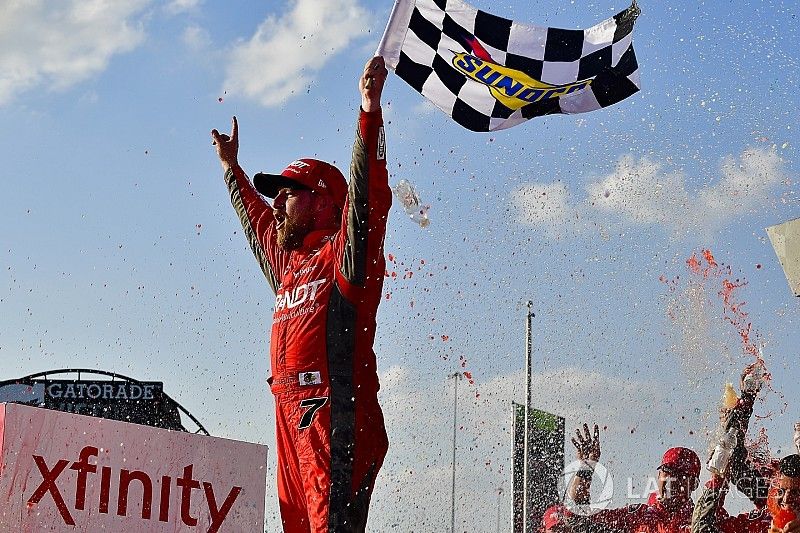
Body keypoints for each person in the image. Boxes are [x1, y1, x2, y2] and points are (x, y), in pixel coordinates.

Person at [210, 56, 391, 533]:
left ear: (325, 199)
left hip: (338, 418)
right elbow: (257, 222)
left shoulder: (346, 258)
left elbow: (369, 199)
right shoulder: (289, 265)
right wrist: (233, 170)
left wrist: (368, 112)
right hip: (291, 421)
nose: (278, 202)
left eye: (290, 192)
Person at [568, 423, 700, 532]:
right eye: (667, 472)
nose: (671, 480)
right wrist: (586, 466)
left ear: (694, 484)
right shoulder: (638, 516)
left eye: (681, 475)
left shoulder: (702, 522)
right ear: (659, 475)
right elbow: (579, 515)